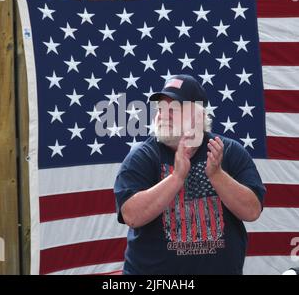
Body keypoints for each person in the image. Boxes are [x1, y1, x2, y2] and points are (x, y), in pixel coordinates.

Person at [114, 74, 266, 275]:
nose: (163, 115)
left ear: (198, 116)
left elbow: (252, 211)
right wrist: (176, 177)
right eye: (160, 109)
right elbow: (132, 215)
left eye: (173, 109)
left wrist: (217, 175)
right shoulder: (143, 155)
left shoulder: (227, 151)